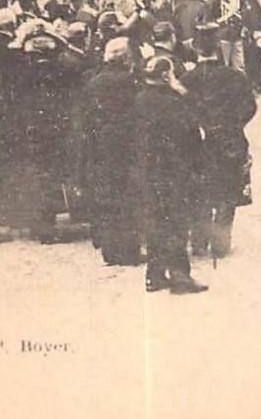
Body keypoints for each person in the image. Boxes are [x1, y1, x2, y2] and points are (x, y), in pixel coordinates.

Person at [132, 55, 207, 294]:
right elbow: (194, 128)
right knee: (177, 222)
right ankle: (180, 275)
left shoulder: (139, 100)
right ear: (166, 76)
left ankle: (154, 275)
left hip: (147, 169)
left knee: (155, 221)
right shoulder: (176, 101)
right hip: (174, 170)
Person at [181, 45, 257, 260]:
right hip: (230, 140)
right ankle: (221, 243)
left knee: (199, 191)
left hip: (199, 142)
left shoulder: (187, 79)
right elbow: (250, 107)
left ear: (197, 50)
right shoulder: (236, 77)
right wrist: (234, 125)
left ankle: (199, 241)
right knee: (229, 189)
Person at [77, 36, 141, 264]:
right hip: (126, 147)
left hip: (100, 147)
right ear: (126, 58)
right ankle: (130, 250)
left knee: (107, 197)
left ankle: (111, 250)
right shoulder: (132, 82)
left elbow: (85, 118)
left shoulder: (93, 83)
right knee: (127, 198)